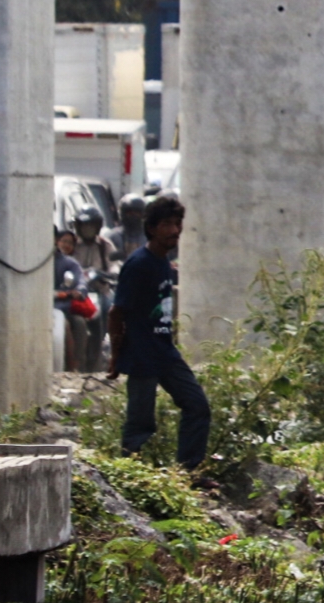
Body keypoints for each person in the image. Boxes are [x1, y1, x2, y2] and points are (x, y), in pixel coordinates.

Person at [109, 194, 211, 468]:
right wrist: (115, 356)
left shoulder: (163, 263)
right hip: (142, 356)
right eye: (167, 224)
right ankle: (128, 478)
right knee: (140, 425)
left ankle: (187, 473)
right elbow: (117, 312)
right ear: (152, 228)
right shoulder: (139, 264)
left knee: (197, 405)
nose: (175, 230)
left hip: (164, 352)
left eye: (178, 224)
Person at [72, 209, 118, 372]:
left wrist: (110, 273)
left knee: (111, 308)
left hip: (100, 290)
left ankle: (107, 347)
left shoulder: (105, 245)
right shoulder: (73, 245)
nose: (88, 230)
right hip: (78, 293)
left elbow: (115, 264)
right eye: (84, 226)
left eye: (91, 226)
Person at [53, 229, 92, 373]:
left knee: (79, 323)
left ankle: (76, 367)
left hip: (63, 308)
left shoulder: (69, 263)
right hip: (38, 308)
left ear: (55, 240)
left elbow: (81, 281)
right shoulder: (30, 262)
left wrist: (79, 291)